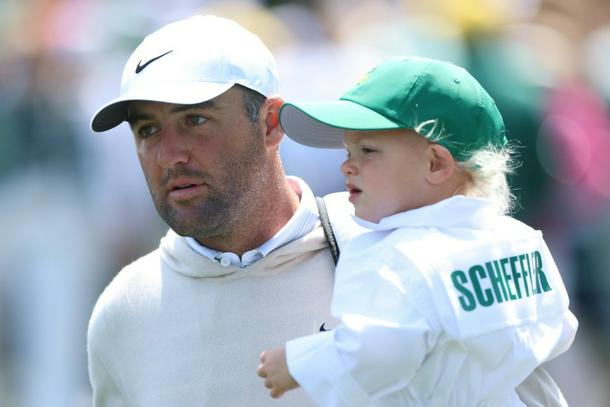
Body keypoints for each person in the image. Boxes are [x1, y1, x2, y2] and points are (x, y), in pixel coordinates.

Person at [87, 15, 571, 406]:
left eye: (196, 119)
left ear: (270, 125)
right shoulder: (122, 312)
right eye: (147, 130)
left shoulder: (401, 248)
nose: (169, 154)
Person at [256, 56, 578, 406]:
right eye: (349, 151)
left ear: (435, 164)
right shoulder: (517, 238)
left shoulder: (400, 257)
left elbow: (379, 355)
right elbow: (560, 329)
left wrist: (298, 362)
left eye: (367, 150)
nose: (346, 165)